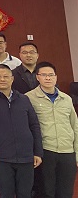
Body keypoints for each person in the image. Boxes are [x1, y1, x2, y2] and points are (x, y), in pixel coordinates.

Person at [0, 64, 43, 198]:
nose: (2, 79)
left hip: (26, 156)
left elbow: (34, 126)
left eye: (6, 76)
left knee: (25, 194)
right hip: (2, 157)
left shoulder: (23, 99)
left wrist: (38, 152)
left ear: (12, 79)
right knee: (6, 193)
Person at [26, 62, 78, 198]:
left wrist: (77, 152)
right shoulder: (28, 98)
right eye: (44, 75)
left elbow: (75, 126)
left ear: (56, 77)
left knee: (66, 192)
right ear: (37, 77)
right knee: (46, 191)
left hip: (67, 151)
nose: (48, 78)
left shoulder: (66, 99)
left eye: (51, 75)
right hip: (45, 151)